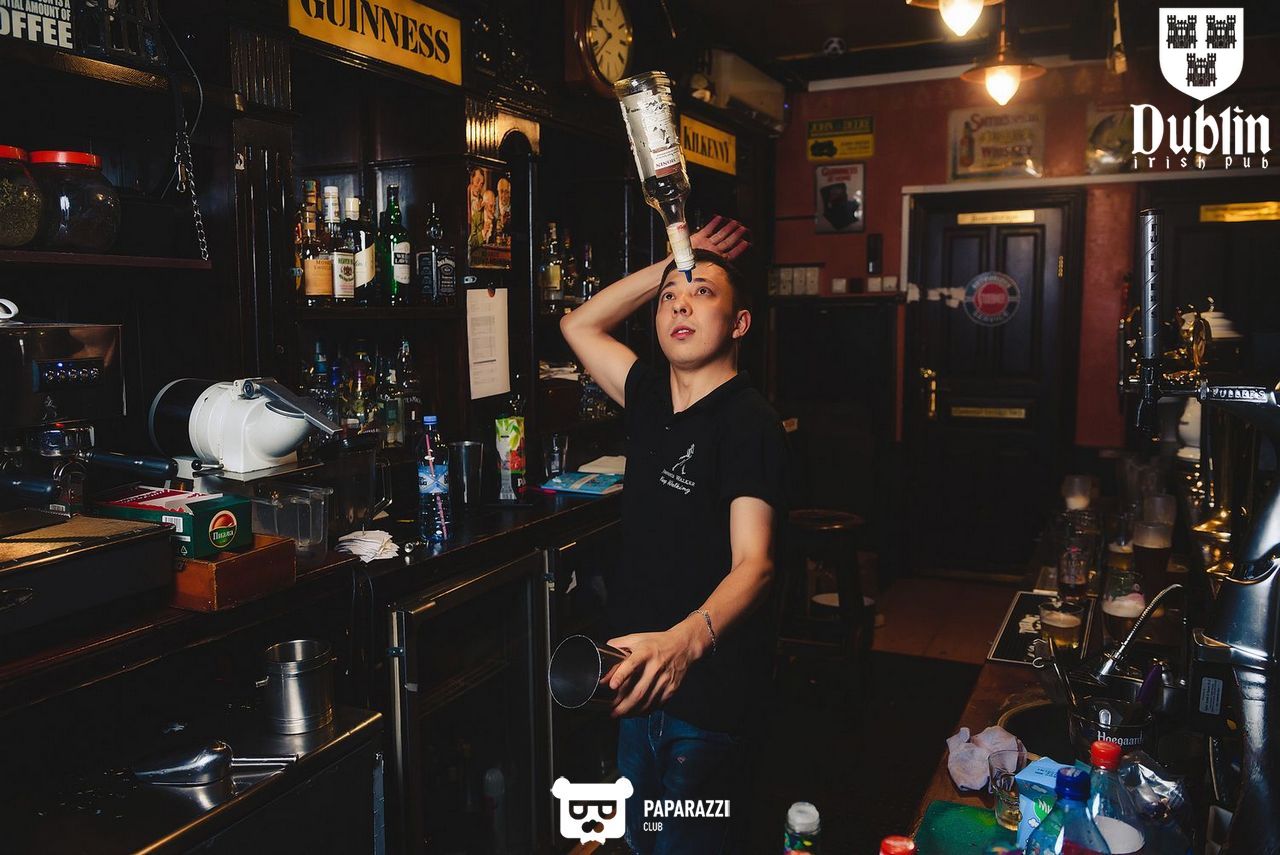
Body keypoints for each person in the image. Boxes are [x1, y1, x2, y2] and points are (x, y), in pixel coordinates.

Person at [560, 216, 785, 854]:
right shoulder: (649, 396)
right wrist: (677, 259)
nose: (681, 305)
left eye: (703, 293)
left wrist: (685, 644)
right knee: (640, 842)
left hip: (709, 703)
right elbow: (578, 324)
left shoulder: (749, 422)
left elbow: (755, 564)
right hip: (639, 682)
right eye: (669, 299)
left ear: (739, 324)